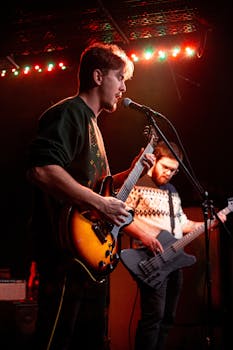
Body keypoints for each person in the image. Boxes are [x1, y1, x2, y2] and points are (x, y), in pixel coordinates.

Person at [26, 42, 160, 350]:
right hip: (63, 254)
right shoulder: (67, 114)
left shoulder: (95, 128)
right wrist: (101, 203)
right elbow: (42, 170)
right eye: (120, 78)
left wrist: (133, 171)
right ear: (98, 76)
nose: (124, 87)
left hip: (88, 256)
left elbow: (99, 187)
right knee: (55, 340)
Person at [122, 140, 226, 350]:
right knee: (154, 317)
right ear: (154, 161)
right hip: (150, 258)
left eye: (174, 170)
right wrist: (145, 237)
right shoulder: (137, 184)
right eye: (166, 167)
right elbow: (121, 216)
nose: (169, 173)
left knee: (168, 317)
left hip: (173, 260)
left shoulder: (173, 191)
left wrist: (211, 223)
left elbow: (183, 224)